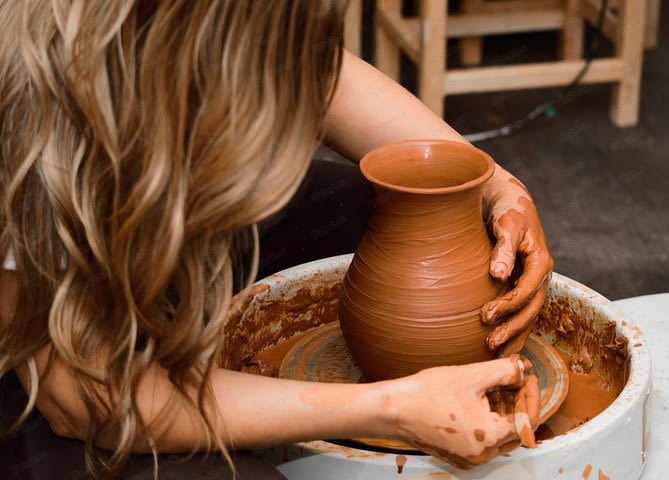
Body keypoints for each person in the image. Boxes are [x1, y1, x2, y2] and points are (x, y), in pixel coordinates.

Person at [0, 1, 553, 477]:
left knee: (402, 210)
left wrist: (500, 190)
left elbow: (316, 73)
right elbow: (88, 397)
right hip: (39, 369)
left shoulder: (189, 34)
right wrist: (385, 406)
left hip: (138, 216)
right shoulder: (33, 113)